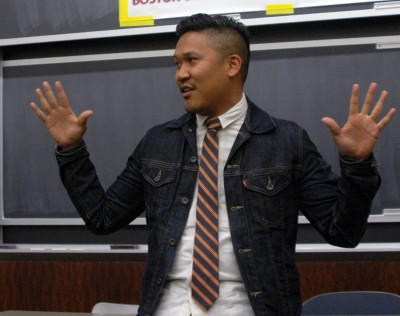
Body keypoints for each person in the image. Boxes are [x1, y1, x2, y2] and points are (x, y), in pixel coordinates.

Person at [30, 13, 396, 316]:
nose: (180, 74)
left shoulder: (286, 141)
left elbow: (343, 233)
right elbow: (102, 218)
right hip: (166, 308)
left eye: (191, 61)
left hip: (250, 308)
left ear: (232, 64)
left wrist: (357, 163)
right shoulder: (159, 141)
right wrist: (72, 150)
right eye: (177, 64)